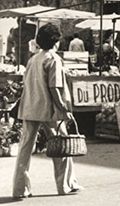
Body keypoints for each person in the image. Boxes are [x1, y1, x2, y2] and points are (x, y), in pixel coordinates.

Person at [12, 23, 82, 199]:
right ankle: (65, 184)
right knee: (62, 146)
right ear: (56, 42)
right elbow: (55, 88)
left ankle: (20, 189)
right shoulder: (53, 59)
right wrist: (65, 110)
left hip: (29, 107)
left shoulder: (33, 59)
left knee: (25, 149)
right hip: (48, 109)